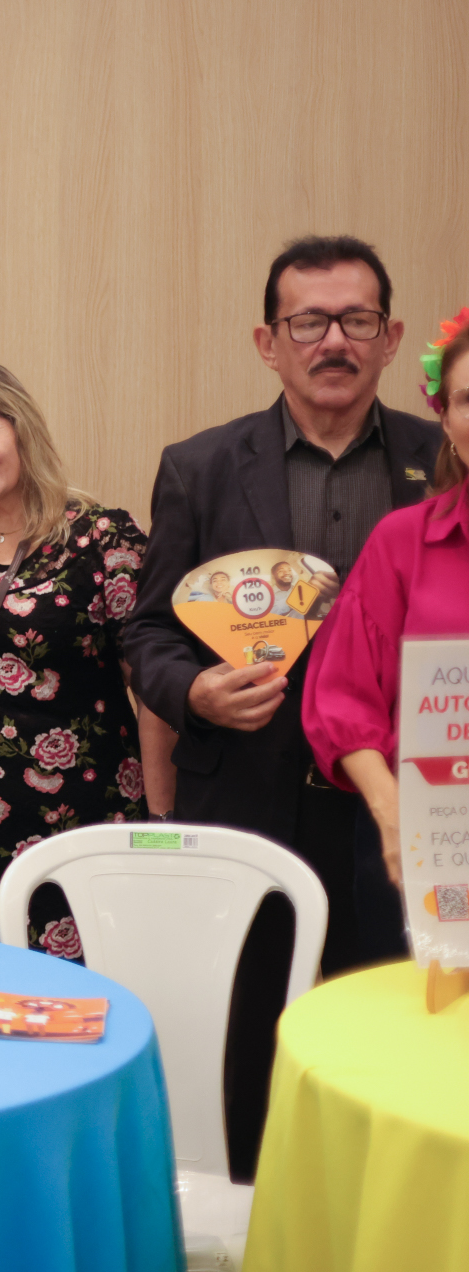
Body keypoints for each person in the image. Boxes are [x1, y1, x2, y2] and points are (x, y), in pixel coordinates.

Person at [122, 234, 441, 1179]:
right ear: (269, 341)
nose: (331, 341)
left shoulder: (445, 457)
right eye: (309, 321)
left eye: (355, 321)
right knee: (257, 1030)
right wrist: (196, 693)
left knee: (400, 1024)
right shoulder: (202, 465)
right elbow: (148, 635)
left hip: (404, 806)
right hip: (250, 801)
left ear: (391, 339)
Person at [0, 363, 174, 951]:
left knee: (79, 1004)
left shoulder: (103, 539)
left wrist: (160, 821)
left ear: (20, 429)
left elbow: (152, 689)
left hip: (86, 819)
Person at [305, 308, 469, 883]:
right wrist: (392, 814)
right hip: (426, 843)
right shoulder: (402, 542)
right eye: (468, 399)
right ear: (444, 420)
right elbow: (344, 699)